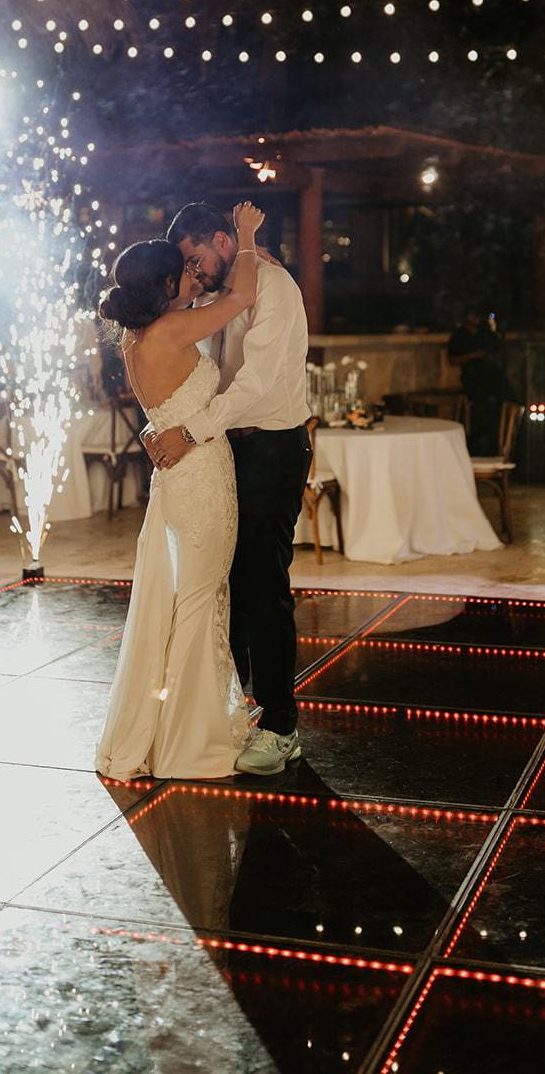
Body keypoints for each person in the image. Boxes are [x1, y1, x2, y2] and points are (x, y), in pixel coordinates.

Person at [94, 202, 265, 781]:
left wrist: (188, 286)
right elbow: (240, 298)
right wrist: (243, 236)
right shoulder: (171, 329)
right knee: (199, 602)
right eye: (182, 271)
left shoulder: (136, 337)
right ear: (167, 283)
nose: (192, 276)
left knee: (190, 600)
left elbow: (161, 406)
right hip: (200, 479)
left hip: (175, 481)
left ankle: (177, 729)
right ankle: (190, 741)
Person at [145, 201, 311, 778]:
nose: (196, 273)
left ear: (221, 239)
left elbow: (255, 383)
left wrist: (189, 430)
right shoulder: (217, 293)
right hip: (224, 450)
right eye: (187, 267)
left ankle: (282, 727)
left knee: (264, 585)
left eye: (197, 259)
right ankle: (239, 710)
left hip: (271, 446)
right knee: (223, 582)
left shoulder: (275, 287)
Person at [446, 310, 520, 455]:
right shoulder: (460, 335)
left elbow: (497, 349)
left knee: (507, 405)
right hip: (474, 380)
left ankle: (507, 449)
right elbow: (452, 359)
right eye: (474, 315)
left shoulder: (485, 333)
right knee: (481, 415)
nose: (477, 319)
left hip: (493, 378)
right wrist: (474, 355)